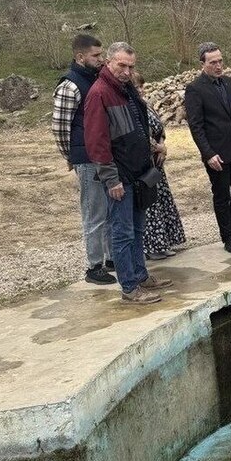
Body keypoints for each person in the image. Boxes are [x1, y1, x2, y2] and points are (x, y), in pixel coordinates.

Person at [84, 42, 173, 304]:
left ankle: (140, 275)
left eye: (131, 67)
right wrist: (111, 179)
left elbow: (139, 128)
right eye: (121, 65)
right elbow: (97, 143)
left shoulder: (127, 89)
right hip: (120, 177)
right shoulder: (99, 93)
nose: (126, 71)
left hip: (139, 173)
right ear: (108, 62)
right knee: (122, 233)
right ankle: (130, 287)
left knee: (137, 228)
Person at [52, 33, 115, 285]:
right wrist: (70, 155)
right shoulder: (70, 85)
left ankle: (111, 258)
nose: (101, 59)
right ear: (80, 57)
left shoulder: (95, 79)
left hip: (103, 156)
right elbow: (60, 127)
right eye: (95, 55)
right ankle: (94, 267)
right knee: (94, 212)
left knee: (109, 210)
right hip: (87, 158)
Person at [184, 43, 231, 254]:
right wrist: (208, 154)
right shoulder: (195, 89)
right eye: (213, 62)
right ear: (202, 64)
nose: (218, 66)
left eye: (220, 61)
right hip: (217, 154)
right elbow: (196, 126)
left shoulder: (229, 83)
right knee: (222, 195)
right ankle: (228, 236)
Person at [132, 72, 186, 260]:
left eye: (141, 86)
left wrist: (162, 144)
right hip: (144, 161)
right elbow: (139, 133)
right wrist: (158, 147)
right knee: (150, 204)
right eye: (136, 87)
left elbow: (160, 128)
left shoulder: (145, 104)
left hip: (157, 163)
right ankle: (152, 246)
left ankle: (165, 242)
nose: (140, 90)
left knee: (161, 199)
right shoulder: (131, 107)